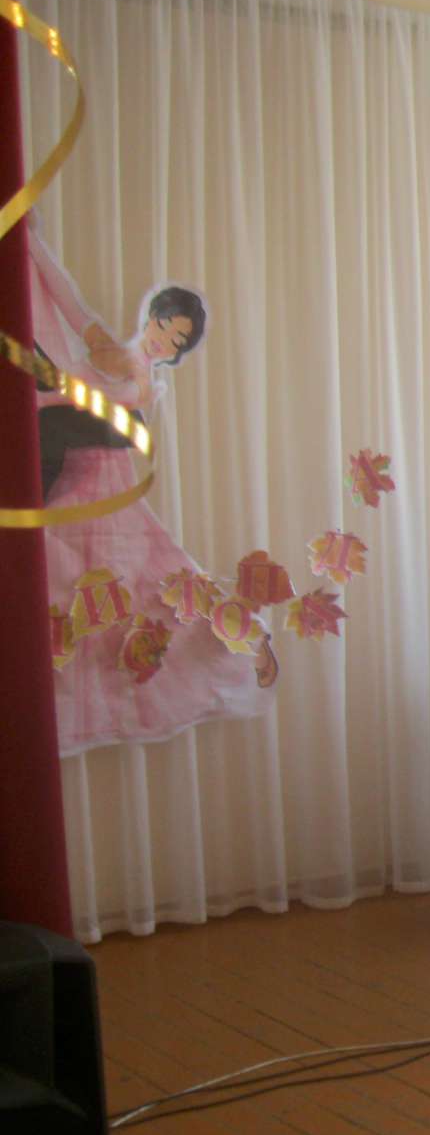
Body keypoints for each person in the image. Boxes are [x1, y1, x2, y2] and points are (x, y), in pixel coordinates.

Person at [27, 219, 278, 755]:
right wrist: (29, 240)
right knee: (72, 589)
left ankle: (247, 642)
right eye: (164, 325)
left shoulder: (144, 384)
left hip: (99, 482)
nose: (163, 338)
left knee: (149, 586)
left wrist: (50, 395)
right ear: (152, 316)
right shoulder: (101, 343)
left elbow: (94, 410)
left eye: (175, 340)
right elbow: (63, 295)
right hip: (71, 471)